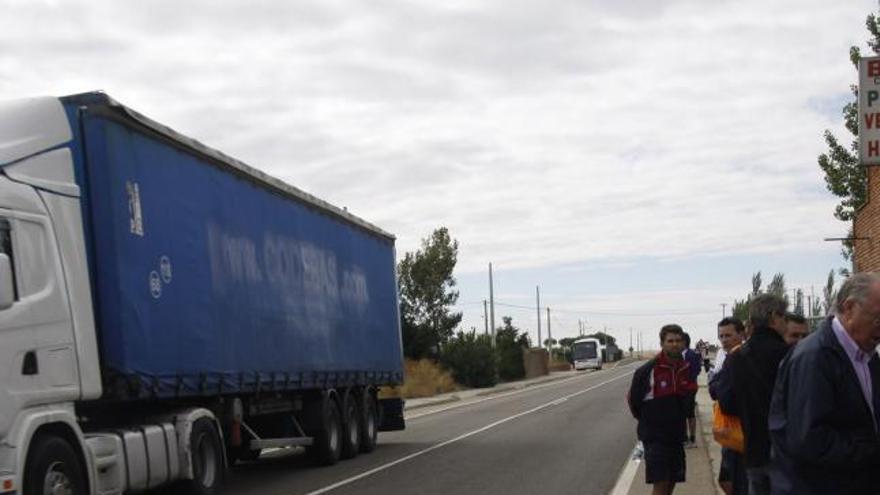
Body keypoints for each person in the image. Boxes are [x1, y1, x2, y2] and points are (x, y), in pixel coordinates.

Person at [768, 273, 880, 494]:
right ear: (849, 309)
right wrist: (873, 448)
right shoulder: (814, 358)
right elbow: (809, 441)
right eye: (878, 318)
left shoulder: (866, 355)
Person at [716, 294, 789, 495]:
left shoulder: (736, 358)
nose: (786, 323)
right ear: (774, 317)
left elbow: (727, 403)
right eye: (784, 317)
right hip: (786, 452)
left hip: (752, 450)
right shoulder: (789, 355)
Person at [627, 324, 697, 495]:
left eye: (678, 340)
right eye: (670, 341)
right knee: (661, 482)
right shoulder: (648, 370)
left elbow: (687, 398)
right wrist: (647, 422)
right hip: (654, 437)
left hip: (676, 435)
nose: (674, 344)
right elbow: (633, 401)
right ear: (662, 343)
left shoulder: (685, 368)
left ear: (683, 343)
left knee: (672, 481)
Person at [709, 317, 747, 495]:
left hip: (739, 432)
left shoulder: (743, 356)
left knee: (735, 481)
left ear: (741, 334)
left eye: (728, 335)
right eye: (721, 336)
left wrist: (716, 384)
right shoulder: (724, 355)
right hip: (728, 433)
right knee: (726, 480)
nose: (724, 340)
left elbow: (721, 393)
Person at [682, 332, 702, 448]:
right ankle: (684, 438)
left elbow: (697, 370)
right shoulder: (677, 355)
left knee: (689, 413)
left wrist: (686, 380)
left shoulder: (692, 354)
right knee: (681, 414)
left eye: (679, 340)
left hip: (690, 388)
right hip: (680, 389)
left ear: (685, 342)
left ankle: (692, 439)